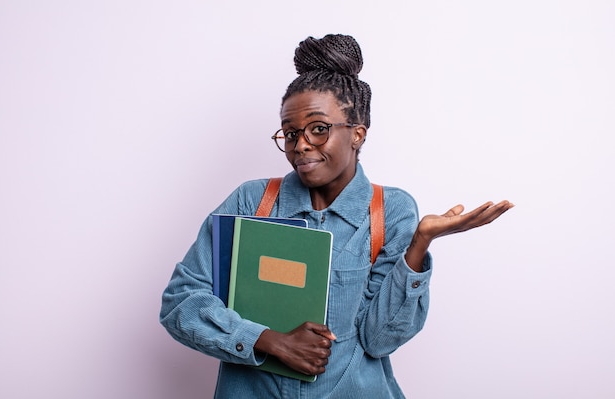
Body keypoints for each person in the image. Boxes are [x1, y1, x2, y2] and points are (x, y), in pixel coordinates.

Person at [160, 33, 513, 398]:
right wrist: (267, 340)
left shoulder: (390, 211)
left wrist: (419, 246)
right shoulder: (252, 201)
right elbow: (181, 301)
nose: (300, 145)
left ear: (357, 133)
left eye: (319, 129)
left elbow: (380, 339)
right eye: (290, 133)